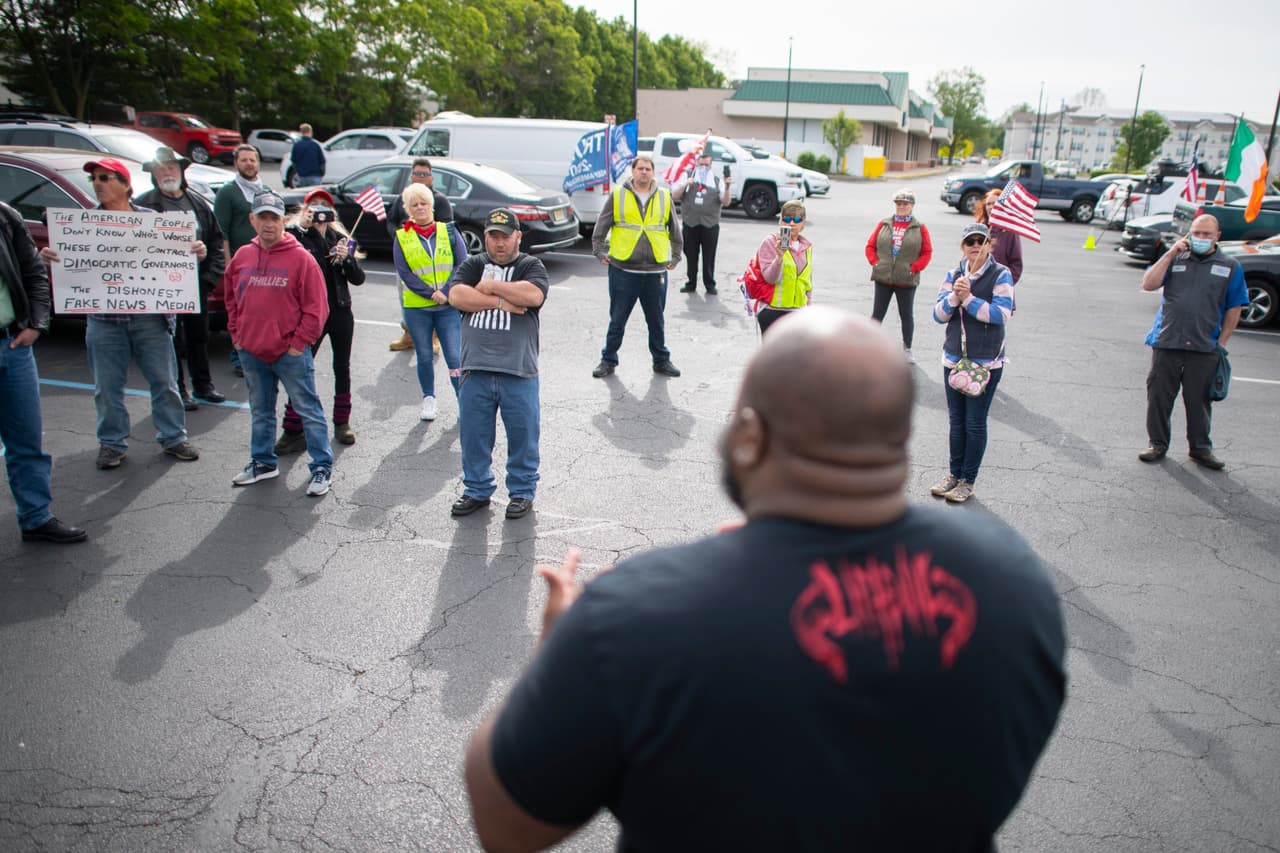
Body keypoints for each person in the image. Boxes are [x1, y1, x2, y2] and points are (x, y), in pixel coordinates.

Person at [463, 307, 1066, 852]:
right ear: (897, 435)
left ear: (750, 436)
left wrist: (560, 653)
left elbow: (507, 826)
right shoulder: (1012, 580)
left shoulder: (640, 617)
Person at [38, 157, 201, 471]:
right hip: (104, 320)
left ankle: (173, 437)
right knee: (107, 388)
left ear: (126, 185)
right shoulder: (80, 228)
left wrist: (196, 251)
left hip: (150, 319)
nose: (98, 183)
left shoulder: (152, 221)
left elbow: (176, 263)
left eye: (105, 177)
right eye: (95, 179)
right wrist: (46, 258)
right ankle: (112, 444)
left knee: (165, 382)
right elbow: (66, 269)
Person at [224, 192, 333, 497]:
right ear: (252, 220)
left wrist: (298, 344)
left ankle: (321, 467)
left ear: (284, 220)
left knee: (308, 409)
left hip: (290, 354)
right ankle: (262, 462)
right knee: (260, 409)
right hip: (252, 351)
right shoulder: (243, 256)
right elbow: (231, 298)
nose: (269, 224)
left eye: (275, 218)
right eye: (263, 217)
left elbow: (317, 309)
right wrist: (237, 336)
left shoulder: (301, 259)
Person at [446, 208, 549, 520]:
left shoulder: (531, 265)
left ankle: (521, 492)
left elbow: (532, 294)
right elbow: (457, 296)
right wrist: (502, 302)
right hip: (476, 368)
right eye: (493, 236)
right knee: (474, 436)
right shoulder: (473, 264)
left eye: (505, 236)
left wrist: (489, 286)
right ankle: (477, 489)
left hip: (518, 369)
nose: (499, 243)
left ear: (518, 236)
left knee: (523, 436)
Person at [0, 200, 86, 544]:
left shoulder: (5, 216)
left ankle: (36, 517)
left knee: (27, 441)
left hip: (13, 346)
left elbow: (33, 272)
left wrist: (36, 323)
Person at [1138, 213, 1246, 469]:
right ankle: (1157, 444)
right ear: (1188, 234)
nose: (1200, 238)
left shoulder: (1229, 266)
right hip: (1167, 340)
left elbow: (1235, 307)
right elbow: (1149, 283)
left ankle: (1200, 448)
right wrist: (1169, 254)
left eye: (1206, 234)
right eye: (1196, 233)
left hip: (1204, 345)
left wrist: (1222, 342)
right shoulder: (1175, 259)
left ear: (1217, 237)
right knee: (1159, 397)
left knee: (1198, 401)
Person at [135, 146, 227, 409]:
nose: (166, 172)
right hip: (162, 289)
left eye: (171, 167)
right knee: (172, 340)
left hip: (196, 284)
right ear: (153, 173)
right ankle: (179, 390)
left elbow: (215, 242)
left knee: (199, 336)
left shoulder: (197, 203)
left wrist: (208, 279)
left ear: (181, 171)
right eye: (161, 168)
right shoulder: (142, 205)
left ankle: (203, 384)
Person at [929, 223, 1014, 503]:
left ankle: (968, 480)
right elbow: (938, 314)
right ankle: (953, 474)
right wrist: (955, 295)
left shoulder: (1001, 274)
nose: (975, 246)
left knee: (974, 422)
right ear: (963, 247)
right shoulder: (954, 274)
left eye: (981, 241)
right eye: (970, 242)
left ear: (990, 245)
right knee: (956, 421)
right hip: (954, 358)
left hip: (984, 362)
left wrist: (969, 299)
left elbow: (1000, 314)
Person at [275, 189, 365, 450]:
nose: (319, 212)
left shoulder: (341, 238)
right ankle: (293, 428)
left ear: (331, 213)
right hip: (311, 314)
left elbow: (358, 279)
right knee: (300, 367)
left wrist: (346, 258)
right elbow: (287, 256)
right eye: (313, 207)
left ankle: (342, 422)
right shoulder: (296, 237)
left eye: (323, 207)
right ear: (305, 211)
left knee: (342, 367)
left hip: (339, 310)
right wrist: (303, 229)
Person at [590, 154, 683, 378]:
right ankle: (608, 360)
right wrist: (599, 250)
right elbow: (602, 225)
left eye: (647, 169)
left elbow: (674, 227)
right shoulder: (618, 195)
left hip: (655, 271)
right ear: (633, 171)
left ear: (653, 172)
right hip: (623, 270)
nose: (643, 172)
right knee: (618, 319)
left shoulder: (663, 196)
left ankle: (661, 360)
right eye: (640, 168)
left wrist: (676, 254)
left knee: (656, 321)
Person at [393, 182, 468, 421]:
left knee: (454, 357)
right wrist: (429, 293)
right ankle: (429, 399)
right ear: (408, 209)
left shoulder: (448, 231)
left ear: (432, 205)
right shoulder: (402, 237)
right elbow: (403, 272)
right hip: (417, 308)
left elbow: (462, 263)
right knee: (424, 355)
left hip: (447, 306)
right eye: (414, 204)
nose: (420, 208)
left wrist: (445, 291)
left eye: (424, 203)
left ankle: (462, 401)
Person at [387, 157, 453, 354]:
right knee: (405, 298)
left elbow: (448, 230)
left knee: (433, 299)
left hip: (432, 263)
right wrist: (400, 236)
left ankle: (433, 338)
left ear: (432, 178)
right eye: (417, 173)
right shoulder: (403, 198)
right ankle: (409, 335)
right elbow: (391, 222)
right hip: (407, 259)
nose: (420, 177)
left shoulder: (439, 201)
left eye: (425, 174)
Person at [214, 144, 268, 378]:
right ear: (236, 163)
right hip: (240, 262)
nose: (249, 164)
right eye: (244, 160)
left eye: (252, 160)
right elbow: (221, 230)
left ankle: (258, 352)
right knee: (240, 311)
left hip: (264, 261)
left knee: (260, 310)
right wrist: (228, 263)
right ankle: (239, 357)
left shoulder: (264, 190)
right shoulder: (228, 192)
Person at [865, 188, 932, 362]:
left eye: (905, 204)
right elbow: (870, 246)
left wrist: (915, 268)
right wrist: (876, 263)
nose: (902, 206)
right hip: (883, 277)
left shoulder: (920, 228)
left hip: (906, 279)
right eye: (899, 203)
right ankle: (867, 346)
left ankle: (907, 348)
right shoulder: (884, 223)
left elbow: (927, 252)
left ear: (912, 206)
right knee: (877, 313)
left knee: (906, 315)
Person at [671, 150, 730, 295]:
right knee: (691, 255)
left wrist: (728, 187)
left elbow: (726, 201)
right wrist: (685, 184)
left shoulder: (717, 181)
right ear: (696, 163)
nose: (703, 167)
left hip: (710, 224)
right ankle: (691, 283)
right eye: (701, 164)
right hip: (690, 223)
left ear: (711, 165)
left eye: (707, 164)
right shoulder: (688, 176)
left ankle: (709, 284)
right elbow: (675, 196)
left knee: (709, 256)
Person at [750, 199, 812, 335]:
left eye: (796, 219)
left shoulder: (806, 247)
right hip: (773, 311)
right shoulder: (770, 242)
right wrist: (779, 258)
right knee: (775, 356)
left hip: (797, 313)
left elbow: (807, 280)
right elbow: (770, 278)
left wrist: (809, 306)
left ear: (803, 223)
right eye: (787, 219)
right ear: (780, 221)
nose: (791, 223)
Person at [976, 188, 1023, 285]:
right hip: (977, 287)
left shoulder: (1010, 232)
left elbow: (1016, 264)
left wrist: (1005, 285)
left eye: (994, 203)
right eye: (988, 204)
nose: (991, 207)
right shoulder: (978, 228)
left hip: (999, 289)